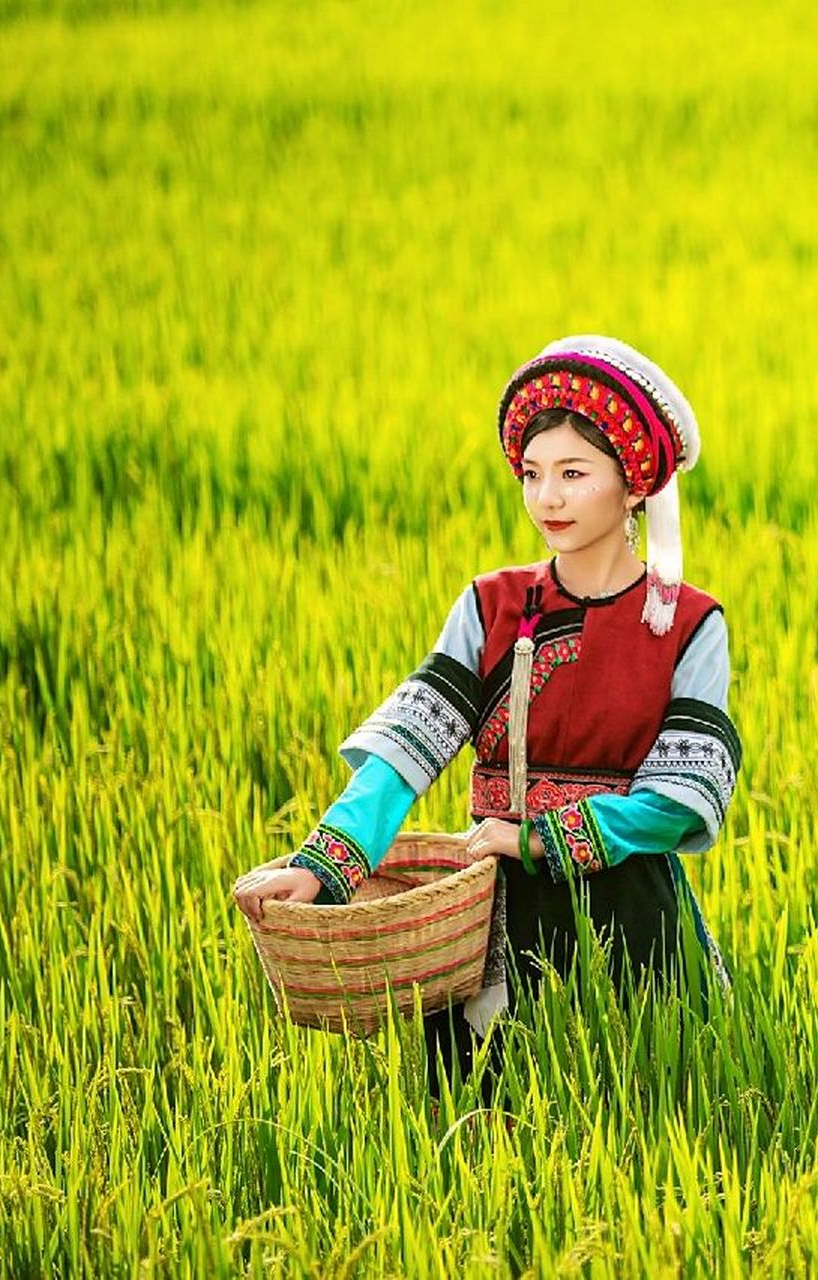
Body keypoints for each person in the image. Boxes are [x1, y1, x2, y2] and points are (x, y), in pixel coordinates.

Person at [232, 335, 741, 1098]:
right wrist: (321, 868)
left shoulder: (690, 624)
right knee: (480, 1124)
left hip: (632, 915)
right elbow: (408, 752)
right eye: (533, 475)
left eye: (574, 474)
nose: (548, 498)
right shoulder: (492, 606)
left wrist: (541, 838)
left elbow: (677, 802)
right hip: (489, 919)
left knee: (648, 1114)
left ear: (633, 484)